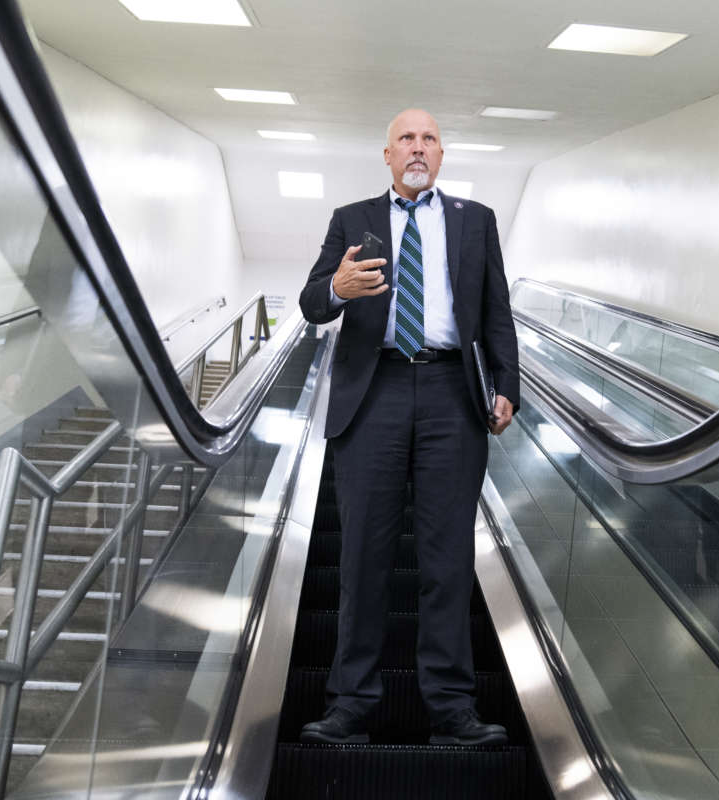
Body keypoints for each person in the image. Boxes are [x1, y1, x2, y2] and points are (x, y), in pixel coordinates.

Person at [297, 108, 519, 746]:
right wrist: (337, 288)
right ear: (387, 154)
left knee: (447, 558)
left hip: (454, 390)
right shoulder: (353, 219)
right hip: (377, 392)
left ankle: (452, 709)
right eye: (406, 140)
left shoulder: (476, 222)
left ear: (442, 155)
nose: (418, 149)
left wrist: (507, 383)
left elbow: (496, 309)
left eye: (429, 139)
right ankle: (351, 705)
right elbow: (314, 303)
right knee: (363, 554)